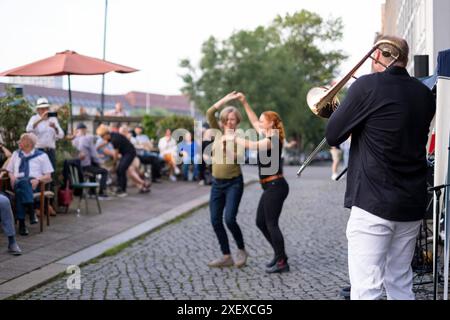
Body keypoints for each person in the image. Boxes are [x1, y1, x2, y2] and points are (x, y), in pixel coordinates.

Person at [325, 35, 436, 300]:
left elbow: (333, 135)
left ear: (380, 55)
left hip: (373, 202)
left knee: (367, 288)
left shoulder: (365, 87)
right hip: (410, 203)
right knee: (400, 282)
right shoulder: (424, 93)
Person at [224, 92, 290, 273]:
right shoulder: (267, 133)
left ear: (271, 123)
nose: (259, 123)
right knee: (261, 222)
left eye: (263, 120)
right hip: (269, 186)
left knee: (271, 223)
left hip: (276, 186)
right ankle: (280, 254)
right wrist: (245, 102)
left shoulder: (273, 139)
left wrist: (234, 138)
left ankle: (282, 262)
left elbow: (253, 146)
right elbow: (253, 121)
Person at [206, 92, 247, 268]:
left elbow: (240, 159)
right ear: (222, 121)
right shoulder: (216, 133)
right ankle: (226, 255)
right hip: (217, 184)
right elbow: (209, 112)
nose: (230, 122)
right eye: (227, 119)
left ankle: (242, 250)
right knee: (215, 220)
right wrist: (226, 100)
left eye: (233, 119)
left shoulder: (240, 137)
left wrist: (226, 149)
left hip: (234, 183)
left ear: (237, 121)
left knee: (229, 219)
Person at [6, 133, 53, 235]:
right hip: (18, 182)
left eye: (21, 140)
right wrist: (12, 176)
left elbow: (48, 176)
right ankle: (31, 211)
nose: (19, 142)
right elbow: (9, 170)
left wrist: (38, 179)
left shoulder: (42, 156)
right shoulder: (16, 154)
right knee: (22, 182)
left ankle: (22, 224)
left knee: (20, 191)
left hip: (34, 185)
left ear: (29, 142)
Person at [96, 125, 142, 197]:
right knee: (120, 170)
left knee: (121, 170)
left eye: (102, 137)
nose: (102, 139)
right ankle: (120, 188)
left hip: (129, 153)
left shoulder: (115, 140)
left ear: (106, 135)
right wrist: (97, 147)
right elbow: (105, 142)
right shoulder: (111, 135)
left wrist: (114, 163)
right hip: (125, 153)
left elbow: (115, 155)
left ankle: (122, 190)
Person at [72, 123, 110, 200]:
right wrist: (101, 161)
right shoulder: (87, 138)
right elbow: (93, 154)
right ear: (85, 130)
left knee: (94, 169)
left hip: (76, 167)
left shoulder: (73, 140)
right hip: (85, 167)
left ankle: (92, 192)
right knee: (104, 171)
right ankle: (101, 192)